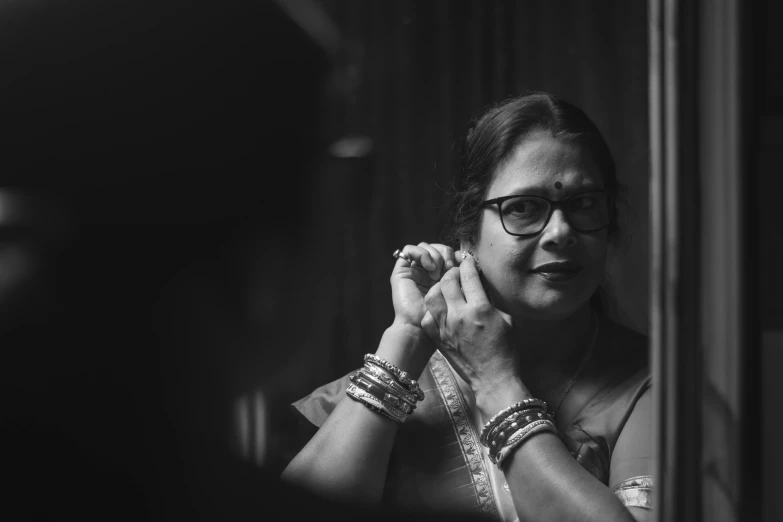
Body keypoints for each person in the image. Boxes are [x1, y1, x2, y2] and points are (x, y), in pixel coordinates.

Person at [282, 92, 652, 521]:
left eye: (584, 203)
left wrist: (495, 382)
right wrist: (406, 338)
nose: (561, 232)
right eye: (524, 208)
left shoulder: (655, 384)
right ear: (467, 236)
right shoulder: (384, 383)